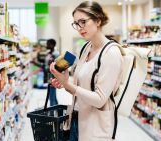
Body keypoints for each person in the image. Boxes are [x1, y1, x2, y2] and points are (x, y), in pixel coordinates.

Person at [49, 1, 123, 141]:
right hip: (76, 119)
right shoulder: (86, 48)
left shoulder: (111, 53)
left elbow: (100, 99)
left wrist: (68, 85)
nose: (79, 28)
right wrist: (64, 82)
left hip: (96, 127)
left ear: (98, 20)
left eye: (83, 21)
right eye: (76, 23)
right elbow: (81, 88)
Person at [45, 39, 59, 106]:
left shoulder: (55, 54)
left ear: (53, 45)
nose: (46, 45)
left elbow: (56, 65)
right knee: (52, 92)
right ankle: (57, 107)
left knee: (51, 94)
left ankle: (51, 111)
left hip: (53, 75)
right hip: (49, 75)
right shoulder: (49, 53)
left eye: (48, 44)